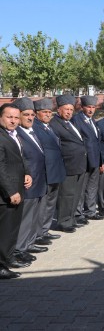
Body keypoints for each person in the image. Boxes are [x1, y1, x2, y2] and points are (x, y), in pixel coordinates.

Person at [0, 103, 32, 279]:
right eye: (9, 117)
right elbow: (1, 167)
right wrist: (11, 191)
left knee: (12, 230)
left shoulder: (14, 135)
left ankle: (6, 259)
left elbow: (20, 158)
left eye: (15, 117)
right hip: (7, 195)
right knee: (4, 231)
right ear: (1, 117)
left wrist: (27, 173)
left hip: (18, 188)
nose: (13, 121)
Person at [14, 98, 47, 265]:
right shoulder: (17, 134)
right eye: (26, 114)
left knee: (34, 216)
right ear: (18, 116)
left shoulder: (33, 132)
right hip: (27, 183)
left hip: (39, 180)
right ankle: (19, 249)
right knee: (25, 218)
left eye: (32, 115)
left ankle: (29, 243)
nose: (30, 118)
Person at [49, 95, 88, 231]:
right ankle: (64, 221)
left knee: (76, 194)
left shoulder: (70, 123)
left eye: (71, 110)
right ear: (59, 110)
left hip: (79, 165)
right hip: (67, 165)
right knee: (67, 195)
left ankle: (71, 218)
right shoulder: (55, 124)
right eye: (66, 109)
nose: (69, 112)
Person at [31, 98, 66, 239]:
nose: (48, 115)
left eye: (49, 112)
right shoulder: (35, 128)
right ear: (37, 113)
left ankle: (45, 230)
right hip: (45, 172)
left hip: (55, 171)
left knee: (51, 203)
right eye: (44, 112)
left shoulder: (49, 127)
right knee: (43, 205)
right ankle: (39, 233)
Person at [71, 96, 103, 221]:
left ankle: (90, 211)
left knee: (92, 186)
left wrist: (100, 161)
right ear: (82, 107)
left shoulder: (93, 121)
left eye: (93, 107)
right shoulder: (77, 120)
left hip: (95, 159)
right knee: (81, 187)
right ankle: (78, 213)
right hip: (84, 160)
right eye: (88, 107)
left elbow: (97, 142)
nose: (91, 110)